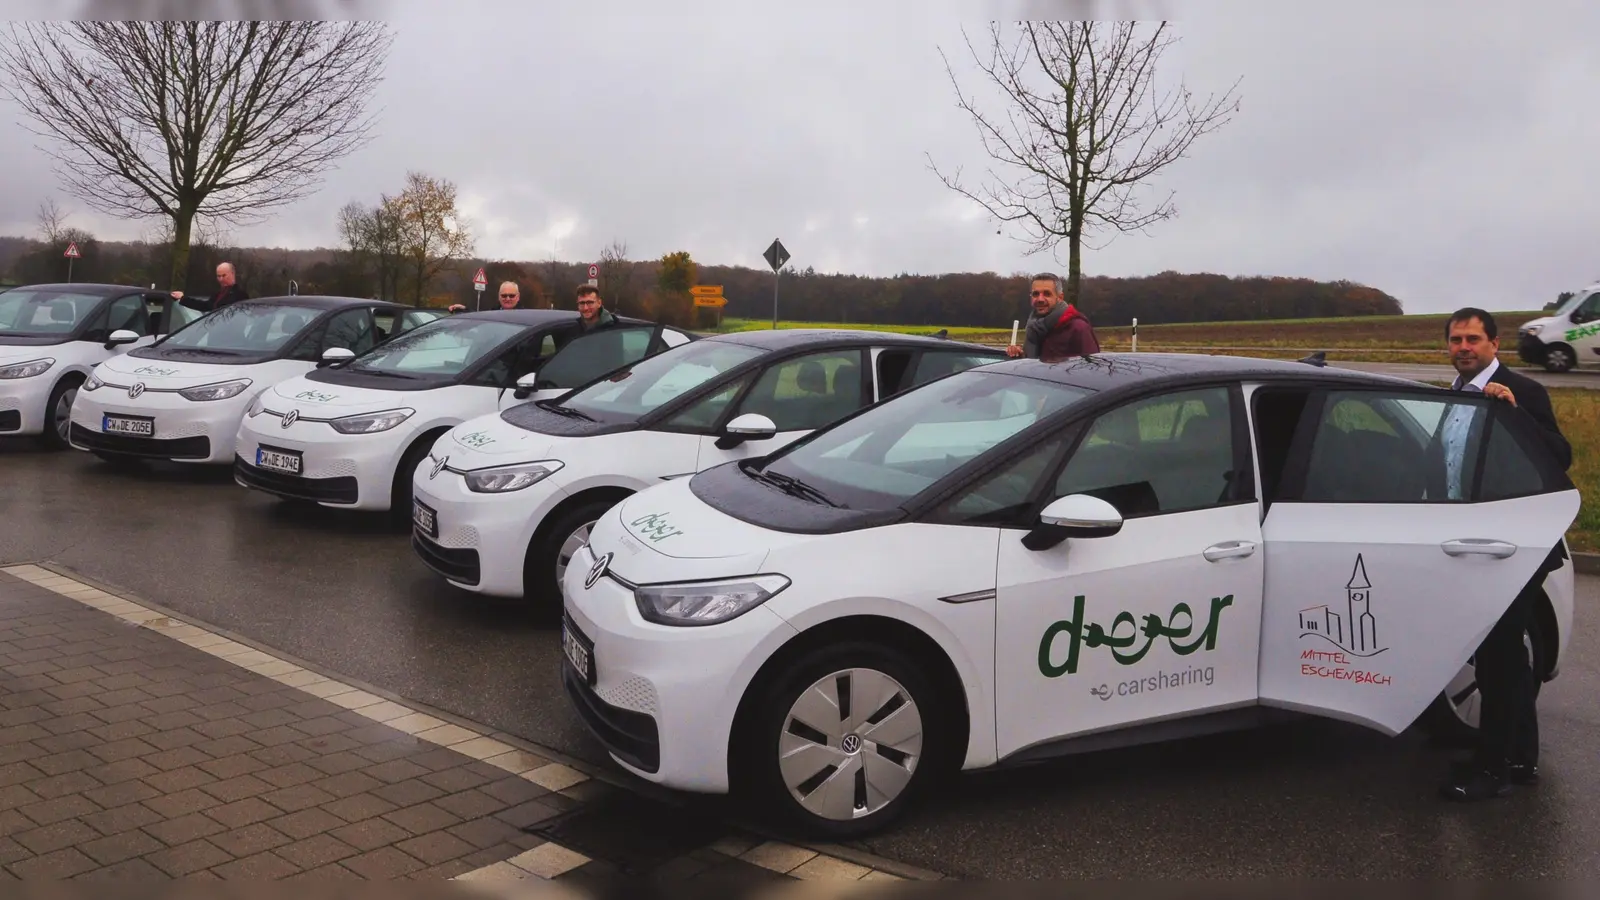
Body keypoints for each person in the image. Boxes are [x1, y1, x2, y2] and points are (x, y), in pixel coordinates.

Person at [1437, 307, 1571, 803]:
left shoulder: (1521, 393)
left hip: (1517, 548)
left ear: (1495, 345)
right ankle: (1519, 758)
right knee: (1507, 655)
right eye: (1456, 340)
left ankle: (1492, 769)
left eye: (1474, 339)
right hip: (1472, 546)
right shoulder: (1452, 395)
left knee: (1496, 654)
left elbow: (1559, 458)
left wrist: (1513, 411)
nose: (1464, 347)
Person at [1005, 272, 1099, 363]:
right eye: (1036, 294)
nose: (1040, 299)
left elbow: (1092, 369)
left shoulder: (1078, 328)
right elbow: (1033, 362)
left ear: (1060, 297)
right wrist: (1019, 354)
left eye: (1047, 294)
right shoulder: (1034, 327)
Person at [171, 261, 249, 313]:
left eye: (224, 275)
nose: (221, 279)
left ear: (232, 274)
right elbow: (204, 306)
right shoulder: (217, 295)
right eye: (218, 276)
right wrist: (183, 298)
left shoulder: (240, 295)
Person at [451, 281, 524, 313]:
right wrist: (464, 309)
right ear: (499, 296)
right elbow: (479, 319)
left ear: (518, 297)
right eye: (504, 295)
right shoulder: (492, 313)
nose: (507, 299)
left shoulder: (525, 317)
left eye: (511, 296)